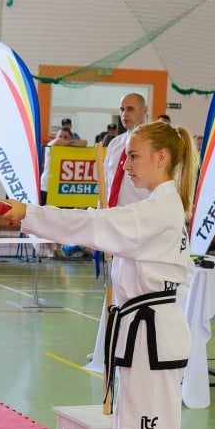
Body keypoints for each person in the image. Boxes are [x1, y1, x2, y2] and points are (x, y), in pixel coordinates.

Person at [2, 121, 197, 429]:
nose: (127, 165)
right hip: (140, 330)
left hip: (153, 336)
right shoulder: (158, 206)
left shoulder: (158, 211)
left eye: (135, 156)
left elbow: (92, 225)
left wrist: (29, 214)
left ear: (162, 159)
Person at [85, 93, 150, 375]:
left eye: (131, 108)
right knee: (112, 287)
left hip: (139, 224)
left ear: (145, 110)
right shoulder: (115, 144)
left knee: (135, 288)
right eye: (122, 109)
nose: (125, 113)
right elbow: (109, 182)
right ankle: (106, 346)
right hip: (114, 223)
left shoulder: (153, 142)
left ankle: (132, 348)